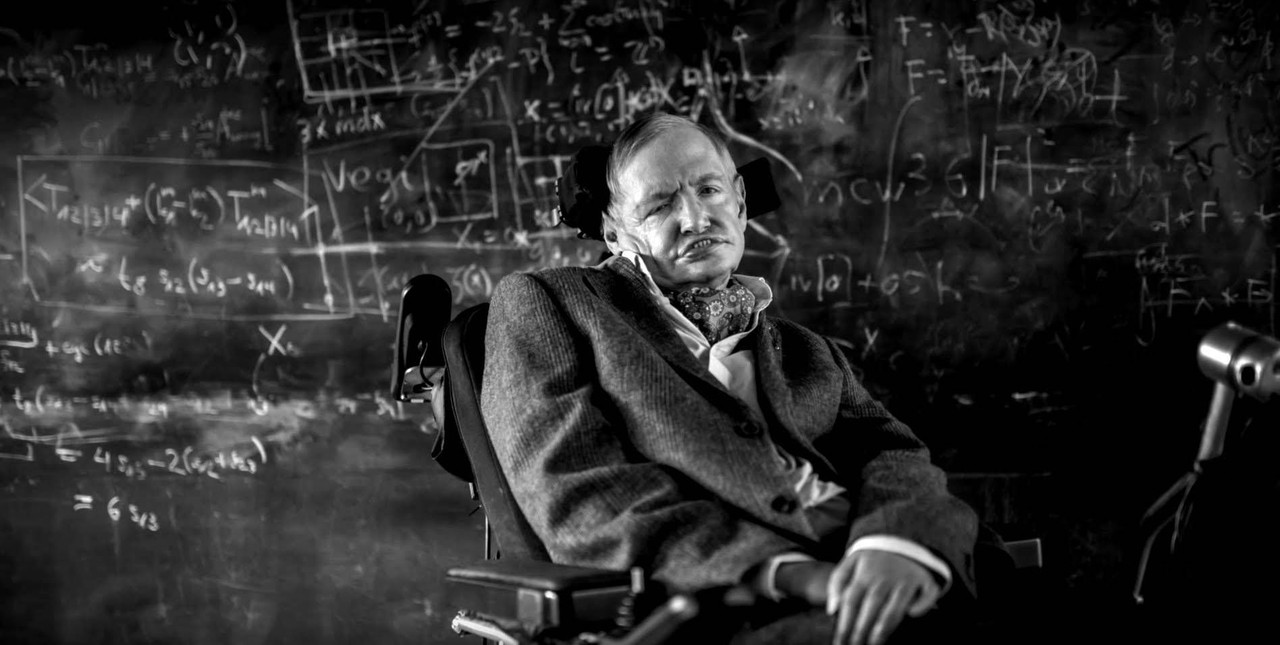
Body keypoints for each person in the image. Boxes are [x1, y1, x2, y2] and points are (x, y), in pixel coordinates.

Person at [480, 113, 980, 645]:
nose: (695, 219)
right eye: (659, 206)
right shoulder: (553, 302)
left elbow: (894, 453)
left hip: (883, 569)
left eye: (708, 190)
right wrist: (786, 573)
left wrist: (895, 544)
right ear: (614, 231)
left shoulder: (805, 348)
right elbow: (579, 491)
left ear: (739, 201)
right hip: (725, 604)